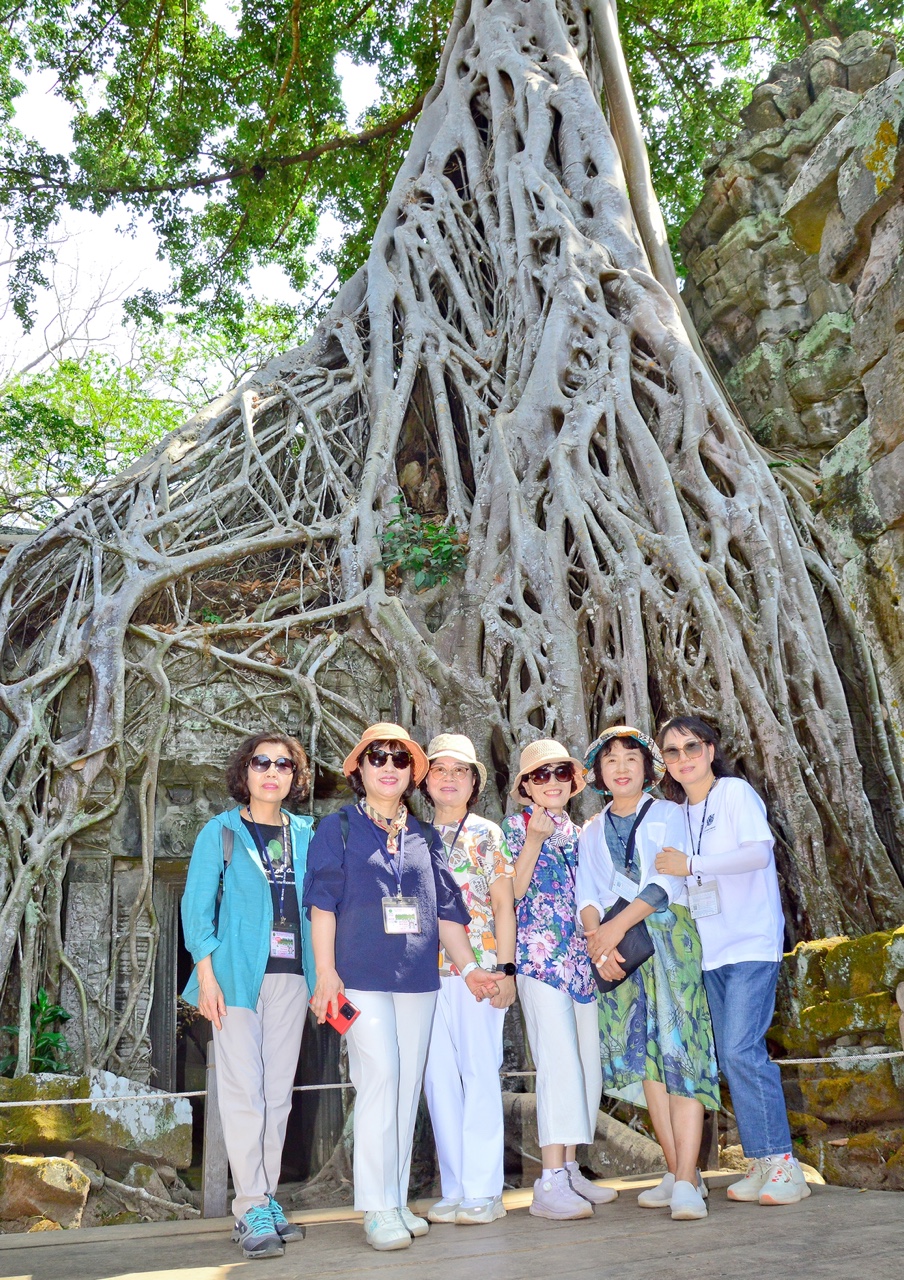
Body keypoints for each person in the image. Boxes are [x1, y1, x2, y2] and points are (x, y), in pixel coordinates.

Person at [302, 723, 498, 1253]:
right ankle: (376, 1206)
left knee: (407, 1085)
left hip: (417, 981)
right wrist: (325, 972)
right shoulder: (338, 828)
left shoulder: (424, 838)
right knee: (381, 1076)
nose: (388, 766)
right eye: (377, 757)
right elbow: (321, 905)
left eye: (399, 758)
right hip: (358, 980)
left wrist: (470, 969)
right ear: (359, 769)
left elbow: (448, 913)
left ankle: (394, 1197)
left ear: (413, 773)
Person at [654, 715, 809, 1207]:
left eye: (691, 747)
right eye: (672, 751)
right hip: (710, 952)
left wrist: (691, 864)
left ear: (710, 749)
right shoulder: (679, 814)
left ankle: (784, 1164)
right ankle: (762, 1161)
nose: (683, 758)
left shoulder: (735, 794)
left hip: (750, 943)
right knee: (730, 1055)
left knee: (743, 1050)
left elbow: (757, 855)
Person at [576, 726, 720, 1222]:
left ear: (647, 769)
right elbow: (586, 893)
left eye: (630, 759)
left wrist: (612, 929)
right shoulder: (590, 830)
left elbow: (664, 883)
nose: (621, 767)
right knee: (647, 1060)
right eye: (610, 760)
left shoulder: (668, 814)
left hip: (668, 943)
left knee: (681, 1049)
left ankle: (686, 1180)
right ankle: (680, 1171)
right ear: (598, 773)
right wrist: (597, 944)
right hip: (618, 951)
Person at [181, 733, 315, 1259]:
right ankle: (250, 1205)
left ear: (294, 777)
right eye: (262, 762)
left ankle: (266, 1198)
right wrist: (206, 976)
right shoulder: (221, 831)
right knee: (243, 1093)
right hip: (234, 978)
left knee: (277, 1094)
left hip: (293, 976)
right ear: (245, 772)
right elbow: (196, 908)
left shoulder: (305, 833)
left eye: (284, 764)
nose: (272, 771)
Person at [502, 739, 616, 1220]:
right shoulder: (513, 829)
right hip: (539, 959)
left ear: (572, 782)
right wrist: (533, 840)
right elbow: (509, 893)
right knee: (559, 1065)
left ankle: (568, 1168)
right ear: (526, 786)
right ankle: (548, 1181)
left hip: (582, 963)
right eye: (540, 775)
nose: (552, 782)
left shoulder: (582, 833)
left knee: (586, 1067)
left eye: (561, 773)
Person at [420, 733, 517, 1226]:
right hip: (423, 973)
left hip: (479, 971)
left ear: (474, 782)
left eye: (461, 771)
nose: (450, 778)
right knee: (438, 1079)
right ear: (425, 780)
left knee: (479, 1072)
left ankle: (485, 1190)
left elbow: (503, 903)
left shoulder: (486, 833)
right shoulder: (412, 834)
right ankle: (455, 1187)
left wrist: (506, 969)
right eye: (440, 769)